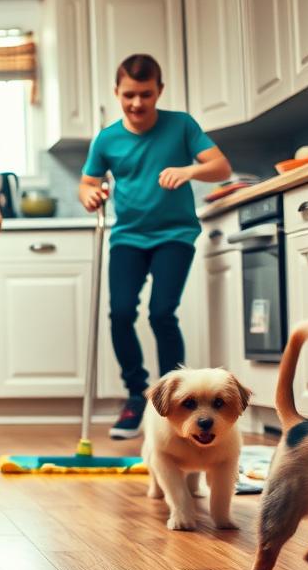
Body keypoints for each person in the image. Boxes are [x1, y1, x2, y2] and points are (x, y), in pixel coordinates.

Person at [78, 54, 231, 439]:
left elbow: (221, 167)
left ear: (159, 90)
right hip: (128, 236)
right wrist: (91, 195)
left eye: (145, 94)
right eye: (129, 95)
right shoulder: (107, 138)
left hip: (175, 235)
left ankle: (174, 397)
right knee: (121, 313)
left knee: (162, 313)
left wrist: (190, 170)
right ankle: (136, 395)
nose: (136, 103)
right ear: (117, 92)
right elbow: (86, 183)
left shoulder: (181, 125)